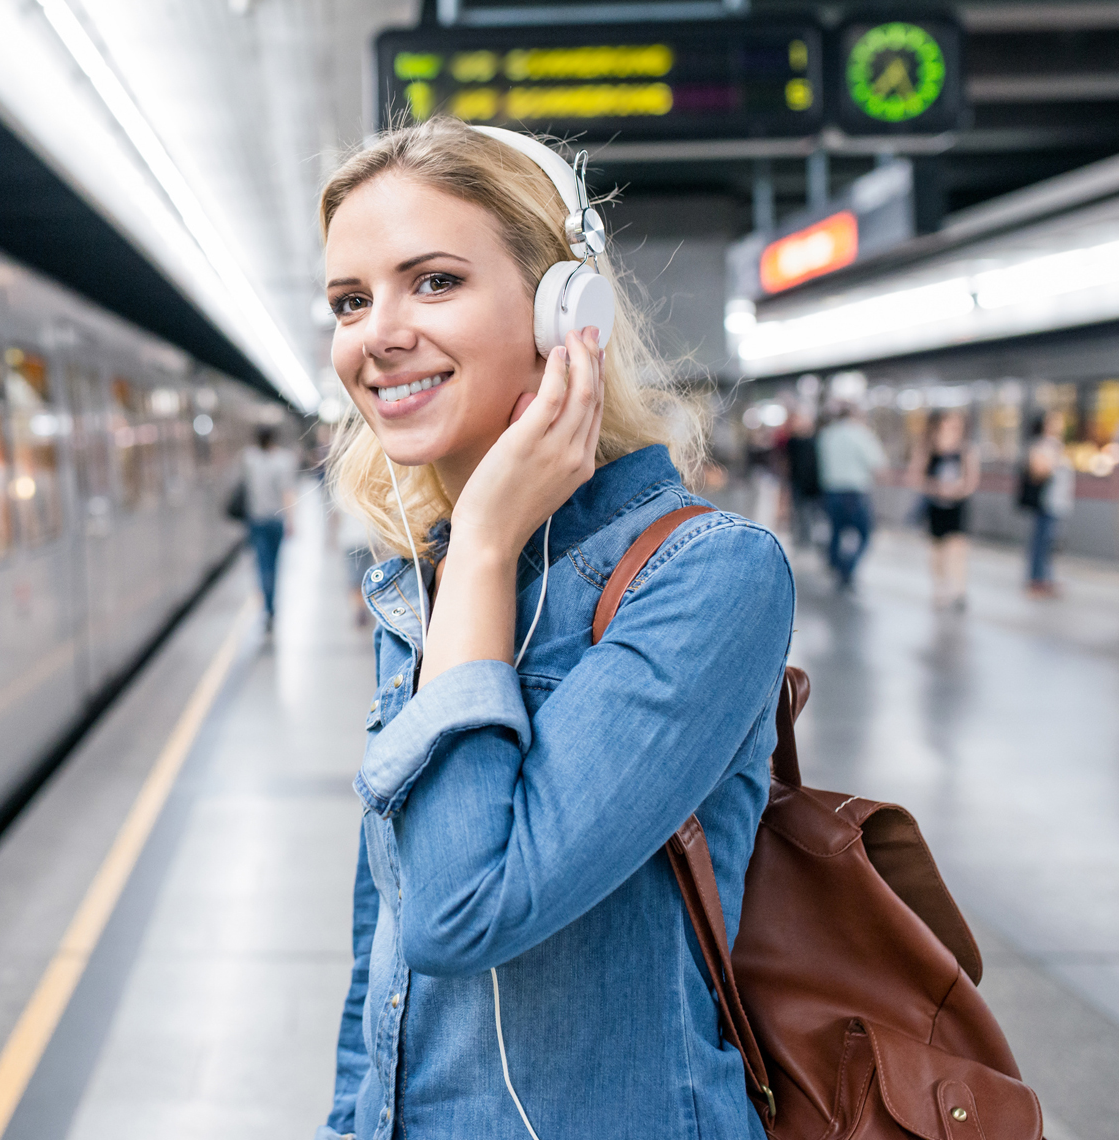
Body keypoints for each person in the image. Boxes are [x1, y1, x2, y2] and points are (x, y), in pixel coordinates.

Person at [315, 116, 794, 1140]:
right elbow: (385, 940)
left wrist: (485, 540)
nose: (376, 332)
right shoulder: (417, 585)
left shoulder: (706, 576)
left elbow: (458, 912)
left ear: (559, 308)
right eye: (348, 300)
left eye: (432, 282)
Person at [909, 409, 980, 609]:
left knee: (958, 548)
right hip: (935, 505)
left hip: (958, 506)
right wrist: (936, 487)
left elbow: (971, 479)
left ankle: (959, 590)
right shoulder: (928, 448)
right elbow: (916, 477)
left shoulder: (966, 449)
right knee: (937, 550)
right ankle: (940, 587)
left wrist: (959, 490)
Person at [814, 401, 887, 590]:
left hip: (831, 491)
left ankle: (836, 564)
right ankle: (847, 569)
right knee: (865, 534)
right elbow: (877, 463)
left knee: (836, 532)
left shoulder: (826, 435)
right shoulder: (861, 434)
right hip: (855, 492)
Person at [241, 425, 298, 629]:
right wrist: (291, 521)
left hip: (256, 521)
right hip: (276, 521)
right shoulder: (283, 460)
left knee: (263, 565)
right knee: (274, 565)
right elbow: (287, 492)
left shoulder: (249, 459)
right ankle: (270, 605)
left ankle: (268, 608)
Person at [1018, 409, 1074, 598]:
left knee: (1051, 543)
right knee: (1041, 542)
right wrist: (1051, 464)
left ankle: (1046, 577)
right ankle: (1036, 579)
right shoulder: (1041, 445)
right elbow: (1037, 471)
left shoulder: (1056, 444)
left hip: (1059, 503)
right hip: (1046, 503)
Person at [331, 477, 376, 627]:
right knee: (366, 574)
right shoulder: (370, 488)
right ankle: (363, 604)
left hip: (349, 539)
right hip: (369, 538)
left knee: (353, 577)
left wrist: (333, 537)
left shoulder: (341, 489)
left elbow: (336, 516)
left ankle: (358, 607)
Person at [784, 406, 821, 552]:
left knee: (812, 512)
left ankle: (809, 538)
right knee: (799, 511)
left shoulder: (815, 440)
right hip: (798, 482)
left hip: (813, 483)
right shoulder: (792, 442)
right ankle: (801, 538)